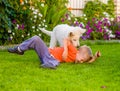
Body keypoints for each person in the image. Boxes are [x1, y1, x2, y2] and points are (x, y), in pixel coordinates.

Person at [8, 35, 101, 69]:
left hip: (48, 58)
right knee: (36, 39)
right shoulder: (73, 50)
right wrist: (65, 50)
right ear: (78, 52)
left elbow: (89, 60)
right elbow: (66, 40)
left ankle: (47, 64)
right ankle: (19, 49)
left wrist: (96, 57)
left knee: (56, 62)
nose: (81, 62)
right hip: (48, 54)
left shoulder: (78, 59)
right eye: (82, 59)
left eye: (82, 61)